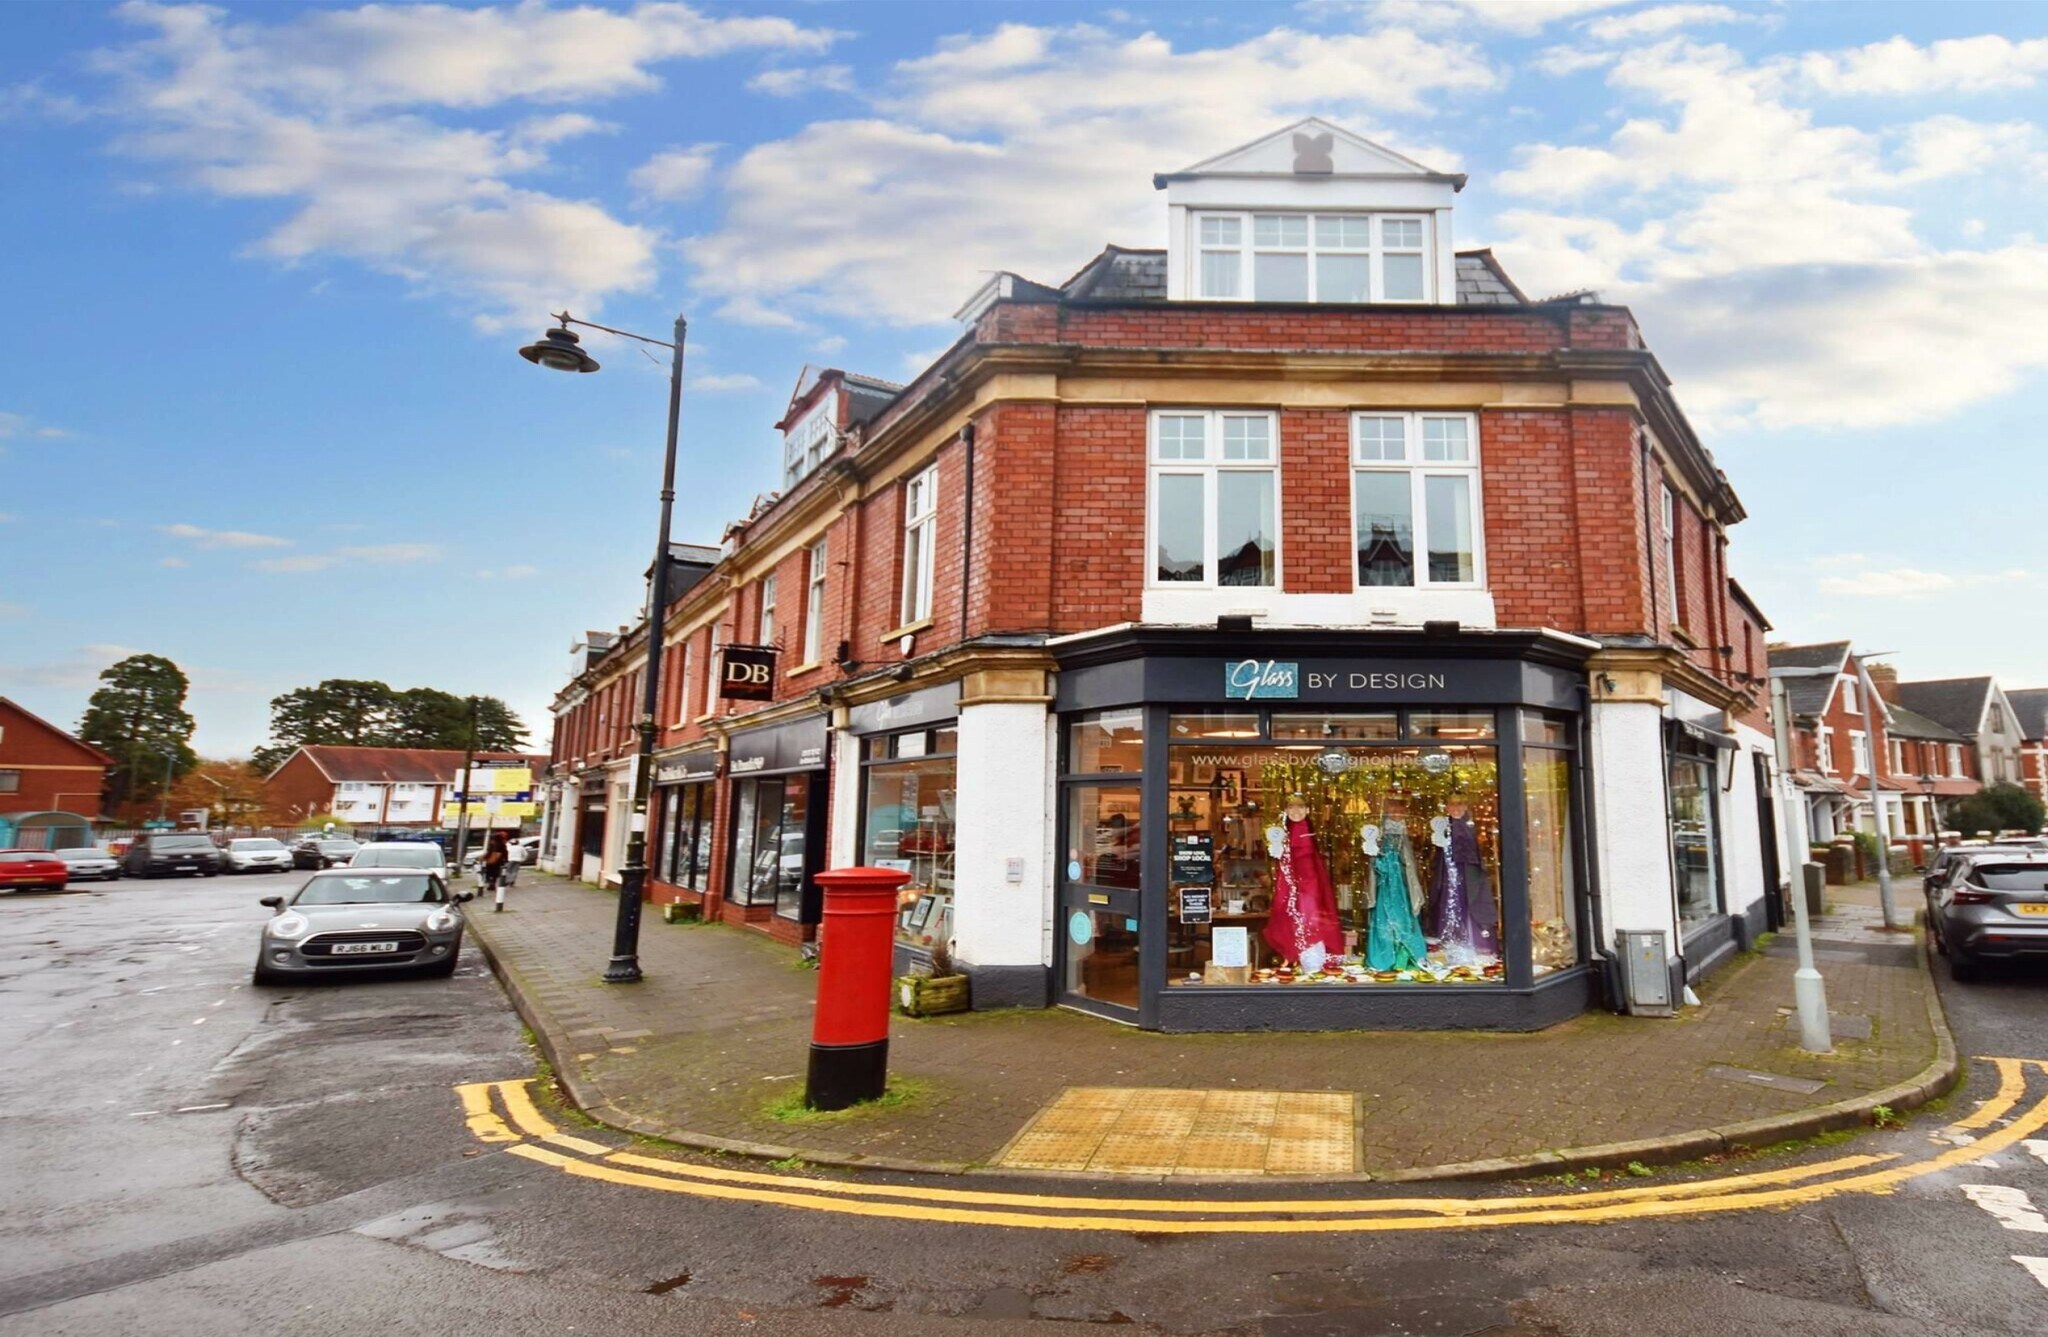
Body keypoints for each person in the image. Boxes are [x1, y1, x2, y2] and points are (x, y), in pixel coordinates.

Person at [481, 831, 510, 912]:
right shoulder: (500, 844)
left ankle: (491, 882)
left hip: (494, 861)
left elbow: (494, 853)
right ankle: (492, 882)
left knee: (491, 872)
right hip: (497, 862)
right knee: (494, 873)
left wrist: (488, 859)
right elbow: (497, 853)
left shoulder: (495, 844)